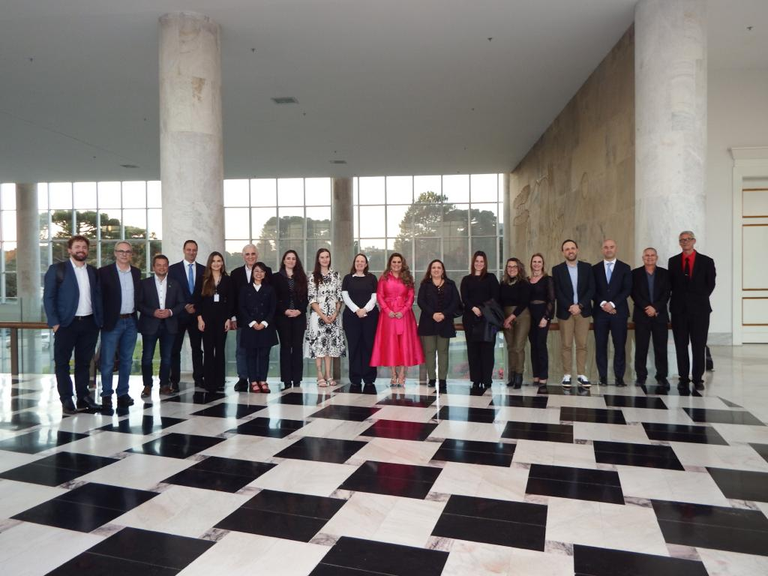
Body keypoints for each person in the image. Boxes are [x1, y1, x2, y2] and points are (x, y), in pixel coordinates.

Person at [43, 235, 103, 414]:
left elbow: (98, 298)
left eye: (84, 247)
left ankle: (83, 397)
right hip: (66, 325)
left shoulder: (93, 271)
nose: (81, 250)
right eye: (77, 247)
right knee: (62, 363)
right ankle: (66, 399)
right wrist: (55, 324)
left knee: (84, 363)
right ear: (70, 250)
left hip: (89, 324)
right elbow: (48, 298)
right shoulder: (57, 270)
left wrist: (98, 321)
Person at [668, 230, 716, 392]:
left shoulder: (706, 261)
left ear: (694, 241)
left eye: (688, 239)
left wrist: (697, 299)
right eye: (682, 240)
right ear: (679, 243)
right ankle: (683, 377)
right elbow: (672, 285)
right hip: (678, 310)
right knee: (681, 345)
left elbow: (710, 284)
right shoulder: (673, 261)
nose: (685, 242)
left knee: (698, 344)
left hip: (700, 310)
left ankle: (697, 378)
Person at [98, 241, 141, 408]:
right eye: (121, 251)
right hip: (112, 322)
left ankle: (123, 393)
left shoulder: (136, 273)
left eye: (128, 251)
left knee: (126, 360)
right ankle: (106, 394)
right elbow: (99, 298)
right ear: (115, 253)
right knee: (107, 361)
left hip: (130, 321)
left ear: (131, 254)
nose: (124, 254)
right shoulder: (104, 272)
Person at [371, 253, 424, 386]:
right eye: (394, 262)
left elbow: (411, 296)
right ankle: (393, 374)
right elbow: (380, 295)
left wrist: (404, 310)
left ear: (402, 263)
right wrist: (388, 310)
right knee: (391, 344)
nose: (396, 264)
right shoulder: (383, 278)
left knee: (404, 344)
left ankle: (402, 374)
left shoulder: (408, 278)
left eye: (399, 262)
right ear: (390, 263)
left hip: (404, 315)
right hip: (388, 316)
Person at [138, 254, 186, 396]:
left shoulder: (175, 283)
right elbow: (139, 304)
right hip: (150, 324)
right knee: (147, 357)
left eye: (164, 265)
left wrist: (170, 312)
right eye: (159, 265)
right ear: (154, 267)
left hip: (169, 325)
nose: (162, 267)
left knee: (167, 357)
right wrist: (153, 312)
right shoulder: (144, 283)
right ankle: (147, 385)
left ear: (168, 267)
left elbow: (181, 303)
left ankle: (164, 385)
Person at [552, 239, 595, 389]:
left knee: (582, 345)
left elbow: (591, 289)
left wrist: (580, 305)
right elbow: (557, 291)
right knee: (566, 345)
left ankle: (582, 375)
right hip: (566, 312)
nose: (570, 251)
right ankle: (567, 375)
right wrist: (570, 306)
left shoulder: (587, 267)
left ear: (577, 250)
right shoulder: (557, 270)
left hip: (583, 312)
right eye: (566, 249)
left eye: (572, 248)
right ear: (563, 252)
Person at [230, 244, 273, 392]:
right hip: (244, 320)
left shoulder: (267, 272)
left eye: (253, 254)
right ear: (243, 256)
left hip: (263, 322)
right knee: (242, 350)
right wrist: (234, 317)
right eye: (247, 254)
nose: (250, 256)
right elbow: (234, 299)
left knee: (261, 352)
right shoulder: (235, 274)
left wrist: (265, 321)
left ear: (257, 255)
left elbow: (270, 299)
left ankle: (259, 379)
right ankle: (244, 378)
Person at [592, 239, 632, 387]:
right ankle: (602, 376)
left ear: (616, 249)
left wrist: (613, 304)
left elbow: (627, 289)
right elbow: (592, 289)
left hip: (619, 313)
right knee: (601, 346)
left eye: (611, 247)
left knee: (619, 346)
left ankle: (619, 377)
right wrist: (604, 304)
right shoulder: (594, 269)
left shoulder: (625, 268)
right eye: (606, 247)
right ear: (602, 250)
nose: (609, 249)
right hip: (600, 313)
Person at [417, 259, 460, 391]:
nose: (436, 270)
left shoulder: (450, 284)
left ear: (443, 270)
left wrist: (443, 314)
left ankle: (442, 380)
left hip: (445, 322)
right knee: (429, 352)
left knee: (443, 352)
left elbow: (455, 302)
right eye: (434, 267)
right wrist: (433, 314)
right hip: (428, 322)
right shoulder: (425, 284)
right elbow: (421, 302)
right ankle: (431, 378)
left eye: (439, 267)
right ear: (430, 270)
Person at [304, 248, 345, 386]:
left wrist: (335, 314)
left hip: (333, 316)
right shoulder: (312, 276)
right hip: (318, 316)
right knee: (319, 345)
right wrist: (322, 315)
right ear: (318, 259)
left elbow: (339, 297)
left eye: (327, 256)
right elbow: (311, 299)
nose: (325, 259)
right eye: (322, 257)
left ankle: (329, 374)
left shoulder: (336, 275)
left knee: (329, 345)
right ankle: (319, 374)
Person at [168, 240, 205, 391]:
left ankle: (199, 378)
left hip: (196, 315)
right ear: (184, 250)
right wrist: (184, 306)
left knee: (197, 348)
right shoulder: (173, 269)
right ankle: (174, 380)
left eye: (194, 250)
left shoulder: (204, 270)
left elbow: (205, 293)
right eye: (189, 250)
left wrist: (195, 307)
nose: (191, 252)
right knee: (175, 349)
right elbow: (171, 293)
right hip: (178, 315)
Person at [631, 247, 670, 389]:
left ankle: (662, 376)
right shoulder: (635, 274)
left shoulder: (665, 274)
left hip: (659, 316)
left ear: (656, 257)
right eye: (647, 255)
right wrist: (647, 307)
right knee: (641, 348)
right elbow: (634, 293)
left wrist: (655, 308)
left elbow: (666, 293)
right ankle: (641, 376)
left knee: (661, 348)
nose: (649, 258)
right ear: (643, 258)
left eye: (652, 255)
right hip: (642, 316)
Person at [460, 251, 500, 389]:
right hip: (470, 318)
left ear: (485, 263)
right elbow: (464, 298)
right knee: (473, 350)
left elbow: (495, 297)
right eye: (477, 261)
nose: (479, 263)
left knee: (488, 350)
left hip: (487, 319)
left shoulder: (491, 278)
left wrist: (482, 309)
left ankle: (487, 379)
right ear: (473, 262)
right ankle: (476, 379)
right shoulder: (466, 279)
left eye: (481, 261)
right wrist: (473, 308)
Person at [195, 252, 234, 393]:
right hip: (206, 320)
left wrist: (228, 319)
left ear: (222, 263)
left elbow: (231, 301)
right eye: (214, 261)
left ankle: (219, 381)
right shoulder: (203, 279)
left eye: (219, 261)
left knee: (220, 350)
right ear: (209, 263)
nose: (217, 263)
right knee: (208, 350)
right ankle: (209, 381)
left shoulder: (227, 280)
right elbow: (197, 301)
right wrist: (199, 319)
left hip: (222, 320)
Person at [239, 262, 278, 393]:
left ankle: (263, 380)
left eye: (262, 271)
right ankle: (253, 381)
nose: (259, 273)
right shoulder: (245, 288)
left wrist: (264, 323)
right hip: (250, 327)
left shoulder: (270, 289)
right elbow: (241, 307)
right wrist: (252, 322)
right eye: (256, 271)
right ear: (253, 273)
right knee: (250, 355)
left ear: (265, 274)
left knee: (264, 355)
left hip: (266, 327)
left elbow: (273, 308)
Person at [342, 254, 379, 388]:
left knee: (369, 346)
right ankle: (355, 377)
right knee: (354, 346)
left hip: (370, 317)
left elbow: (375, 297)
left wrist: (365, 310)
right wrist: (357, 310)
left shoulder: (372, 278)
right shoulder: (347, 278)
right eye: (357, 261)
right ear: (354, 263)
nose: (360, 263)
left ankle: (369, 377)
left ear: (366, 264)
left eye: (362, 261)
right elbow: (345, 296)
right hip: (352, 318)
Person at [273, 250, 308, 389]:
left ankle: (297, 379)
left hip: (299, 317)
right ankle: (287, 380)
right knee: (286, 347)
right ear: (284, 260)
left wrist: (299, 310)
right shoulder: (276, 277)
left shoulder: (301, 277)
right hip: (283, 317)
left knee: (298, 347)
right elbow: (274, 298)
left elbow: (306, 298)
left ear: (296, 261)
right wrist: (285, 310)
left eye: (293, 258)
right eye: (288, 258)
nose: (291, 260)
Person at [500, 257, 531, 389]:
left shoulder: (524, 283)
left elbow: (524, 302)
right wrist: (504, 319)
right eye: (509, 266)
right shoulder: (503, 284)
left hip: (522, 315)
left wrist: (511, 317)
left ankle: (519, 376)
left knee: (518, 347)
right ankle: (511, 376)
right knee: (510, 347)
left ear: (519, 268)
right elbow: (499, 302)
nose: (511, 269)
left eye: (514, 266)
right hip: (506, 316)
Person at [528, 253, 555, 394]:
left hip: (542, 314)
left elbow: (551, 300)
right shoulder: (527, 280)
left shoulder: (547, 279)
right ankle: (536, 375)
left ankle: (543, 376)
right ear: (531, 263)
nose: (537, 264)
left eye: (539, 261)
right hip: (529, 315)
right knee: (533, 346)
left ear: (543, 264)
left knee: (541, 345)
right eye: (534, 261)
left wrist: (546, 317)